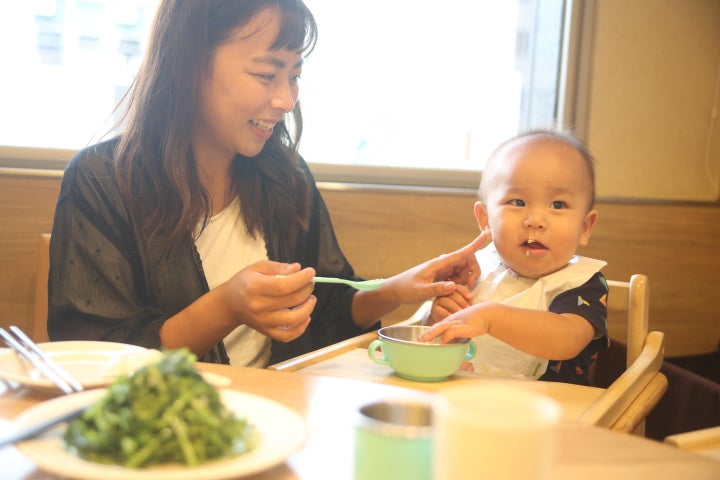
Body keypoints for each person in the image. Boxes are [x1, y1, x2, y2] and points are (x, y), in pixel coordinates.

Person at [47, 0, 487, 367]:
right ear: (190, 64)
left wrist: (395, 289)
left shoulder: (285, 175)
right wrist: (226, 307)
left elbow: (326, 308)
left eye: (294, 75)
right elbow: (95, 357)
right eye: (266, 75)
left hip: (278, 418)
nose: (285, 99)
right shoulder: (101, 182)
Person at [418, 129, 609, 385]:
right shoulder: (474, 270)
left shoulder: (581, 283)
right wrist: (440, 316)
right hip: (466, 402)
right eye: (518, 202)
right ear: (485, 220)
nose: (535, 221)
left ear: (585, 227)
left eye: (558, 205)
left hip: (553, 413)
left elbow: (567, 339)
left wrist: (491, 318)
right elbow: (431, 336)